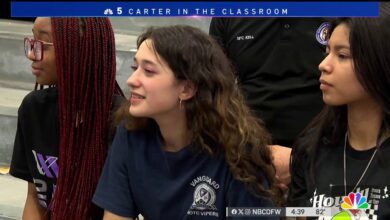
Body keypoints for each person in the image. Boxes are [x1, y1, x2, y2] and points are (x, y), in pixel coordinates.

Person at [92, 25, 282, 219]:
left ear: (187, 89)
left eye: (148, 71)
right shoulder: (129, 134)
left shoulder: (239, 152)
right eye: (135, 67)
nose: (132, 79)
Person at [10, 17, 124, 219]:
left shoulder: (122, 123)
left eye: (43, 44)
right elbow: (35, 198)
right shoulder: (33, 109)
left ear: (78, 50)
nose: (31, 54)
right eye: (32, 41)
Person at [288, 3, 390, 219]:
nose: (323, 65)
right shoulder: (310, 149)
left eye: (342, 55)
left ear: (379, 62)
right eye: (327, 52)